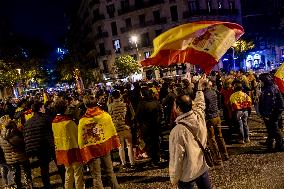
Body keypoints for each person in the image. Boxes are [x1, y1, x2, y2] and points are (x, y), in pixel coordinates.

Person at [169, 76, 212, 189]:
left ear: (178, 108)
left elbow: (176, 157)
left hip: (187, 174)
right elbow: (200, 104)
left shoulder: (177, 131)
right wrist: (199, 89)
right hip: (202, 166)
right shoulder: (199, 116)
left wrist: (174, 179)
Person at [78, 95, 120, 189]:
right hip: (105, 146)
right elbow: (111, 129)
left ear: (85, 105)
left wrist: (82, 152)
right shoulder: (105, 116)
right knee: (110, 171)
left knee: (96, 176)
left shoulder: (83, 121)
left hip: (92, 149)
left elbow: (81, 138)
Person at [52, 100, 84, 189]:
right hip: (73, 149)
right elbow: (77, 135)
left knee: (68, 172)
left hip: (62, 150)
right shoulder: (69, 122)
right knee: (78, 174)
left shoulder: (54, 122)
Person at [24, 101, 55, 188]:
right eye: (43, 107)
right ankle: (65, 181)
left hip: (35, 147)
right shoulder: (46, 118)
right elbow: (52, 131)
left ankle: (46, 185)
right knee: (57, 164)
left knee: (43, 167)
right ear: (40, 109)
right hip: (46, 145)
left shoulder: (28, 122)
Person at [0, 115, 32, 189]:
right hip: (21, 155)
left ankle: (18, 186)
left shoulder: (1, 135)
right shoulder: (15, 133)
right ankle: (29, 185)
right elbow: (22, 143)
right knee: (26, 171)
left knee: (16, 173)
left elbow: (3, 147)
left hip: (9, 158)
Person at [203, 81, 229, 165]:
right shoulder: (213, 92)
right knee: (219, 136)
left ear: (203, 86)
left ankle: (217, 159)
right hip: (217, 116)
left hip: (210, 118)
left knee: (211, 139)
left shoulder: (204, 94)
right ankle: (225, 155)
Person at [108, 90, 135, 169]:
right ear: (119, 95)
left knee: (121, 147)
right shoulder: (125, 104)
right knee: (129, 145)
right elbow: (133, 115)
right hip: (126, 127)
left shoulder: (110, 106)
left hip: (117, 129)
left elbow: (110, 118)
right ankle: (132, 162)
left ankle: (124, 164)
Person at [136, 89, 163, 167]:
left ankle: (153, 159)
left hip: (146, 127)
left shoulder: (142, 104)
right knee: (156, 142)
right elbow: (160, 114)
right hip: (155, 126)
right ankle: (157, 158)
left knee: (149, 144)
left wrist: (141, 124)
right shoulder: (156, 102)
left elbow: (138, 116)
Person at [258, 73, 284, 151]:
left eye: (261, 81)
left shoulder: (269, 89)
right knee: (270, 128)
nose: (260, 82)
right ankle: (269, 143)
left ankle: (280, 145)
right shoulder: (268, 87)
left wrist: (267, 114)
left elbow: (269, 103)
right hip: (274, 111)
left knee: (274, 129)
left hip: (273, 112)